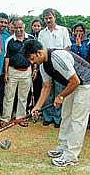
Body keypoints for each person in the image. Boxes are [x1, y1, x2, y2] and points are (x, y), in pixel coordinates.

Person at [23, 39, 90, 167]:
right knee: (66, 116)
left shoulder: (57, 57)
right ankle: (63, 148)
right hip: (73, 85)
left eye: (32, 58)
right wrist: (36, 107)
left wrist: (61, 96)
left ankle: (71, 156)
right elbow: (46, 87)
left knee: (77, 120)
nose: (32, 63)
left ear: (39, 53)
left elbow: (75, 81)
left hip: (85, 83)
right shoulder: (43, 66)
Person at [38, 8, 71, 128]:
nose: (48, 20)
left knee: (59, 91)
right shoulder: (42, 33)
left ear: (54, 17)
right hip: (46, 65)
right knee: (47, 91)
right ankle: (47, 117)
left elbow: (67, 48)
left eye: (50, 18)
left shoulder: (63, 30)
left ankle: (58, 118)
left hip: (59, 66)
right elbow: (40, 50)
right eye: (45, 18)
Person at [0, 18, 33, 127]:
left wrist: (35, 69)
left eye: (21, 28)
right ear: (13, 28)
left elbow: (36, 54)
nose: (19, 30)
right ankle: (5, 118)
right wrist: (6, 73)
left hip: (27, 71)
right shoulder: (9, 40)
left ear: (24, 27)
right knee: (9, 96)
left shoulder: (31, 39)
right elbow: (7, 57)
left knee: (23, 97)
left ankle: (20, 118)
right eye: (16, 28)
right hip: (12, 71)